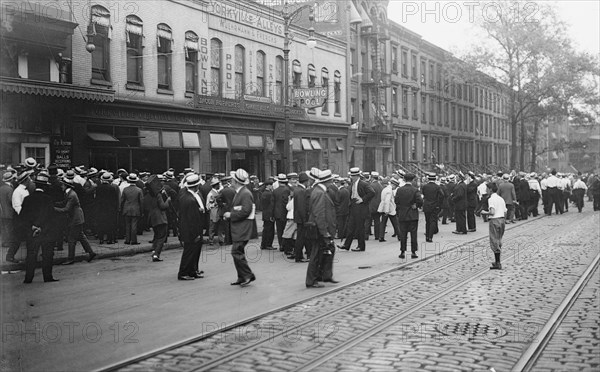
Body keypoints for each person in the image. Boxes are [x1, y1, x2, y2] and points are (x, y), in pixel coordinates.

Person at [21, 172, 60, 283]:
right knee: (47, 255)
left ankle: (28, 278)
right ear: (45, 186)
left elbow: (23, 217)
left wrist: (32, 227)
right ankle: (47, 277)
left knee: (31, 255)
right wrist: (42, 227)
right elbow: (51, 217)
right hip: (45, 232)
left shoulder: (28, 199)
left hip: (31, 231)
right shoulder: (48, 199)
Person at [54, 171, 96, 265]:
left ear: (66, 186)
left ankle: (71, 258)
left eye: (62, 185)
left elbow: (66, 209)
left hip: (75, 218)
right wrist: (55, 204)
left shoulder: (71, 195)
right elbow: (64, 203)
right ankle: (91, 252)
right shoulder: (69, 193)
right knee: (81, 236)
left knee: (71, 239)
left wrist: (54, 209)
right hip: (78, 217)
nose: (61, 186)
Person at [223, 169, 256, 287]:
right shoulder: (240, 192)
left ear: (236, 181)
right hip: (240, 227)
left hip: (242, 228)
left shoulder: (245, 193)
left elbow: (246, 211)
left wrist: (230, 215)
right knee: (238, 251)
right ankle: (242, 276)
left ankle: (247, 275)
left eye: (232, 179)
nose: (231, 181)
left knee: (236, 252)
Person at [305, 169, 338, 288]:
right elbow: (320, 214)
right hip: (319, 230)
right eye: (331, 180)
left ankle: (324, 275)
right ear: (327, 181)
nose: (333, 182)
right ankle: (311, 280)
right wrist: (325, 233)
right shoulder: (320, 193)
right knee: (316, 254)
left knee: (326, 252)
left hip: (320, 228)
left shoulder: (320, 191)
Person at [177, 173, 206, 280]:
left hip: (193, 229)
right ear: (197, 186)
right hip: (191, 230)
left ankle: (192, 270)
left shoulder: (191, 195)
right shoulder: (190, 200)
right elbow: (192, 220)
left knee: (195, 251)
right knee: (189, 252)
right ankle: (183, 272)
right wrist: (196, 234)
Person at [340, 167, 375, 252]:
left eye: (352, 176)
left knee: (360, 228)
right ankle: (346, 245)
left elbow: (372, 192)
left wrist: (363, 199)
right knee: (350, 227)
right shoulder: (352, 184)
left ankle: (361, 246)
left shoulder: (363, 184)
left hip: (361, 207)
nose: (351, 177)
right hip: (353, 206)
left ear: (356, 176)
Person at [395, 173, 423, 259]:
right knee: (413, 234)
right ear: (412, 180)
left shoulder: (399, 190)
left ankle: (402, 251)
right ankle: (413, 252)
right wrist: (416, 205)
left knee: (403, 234)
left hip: (402, 215)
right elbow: (420, 200)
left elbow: (396, 201)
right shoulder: (415, 190)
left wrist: (400, 209)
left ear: (404, 179)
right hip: (412, 215)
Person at [481, 182, 507, 270]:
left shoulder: (491, 199)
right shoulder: (501, 199)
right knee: (499, 239)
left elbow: (492, 211)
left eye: (487, 189)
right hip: (502, 219)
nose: (486, 190)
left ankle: (497, 262)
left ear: (491, 190)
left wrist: (485, 213)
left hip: (494, 220)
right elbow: (505, 211)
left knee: (494, 240)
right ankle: (497, 261)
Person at [146, 176, 171, 262]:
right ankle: (156, 254)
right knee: (161, 237)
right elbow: (163, 206)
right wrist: (168, 201)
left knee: (156, 236)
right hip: (161, 218)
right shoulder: (159, 195)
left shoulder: (151, 195)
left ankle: (154, 250)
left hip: (154, 218)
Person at [95, 172, 119, 244]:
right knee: (110, 224)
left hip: (101, 208)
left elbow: (96, 198)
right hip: (110, 209)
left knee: (101, 223)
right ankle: (109, 239)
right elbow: (115, 199)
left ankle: (101, 239)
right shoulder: (112, 188)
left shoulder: (98, 188)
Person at [1, 172, 19, 263]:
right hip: (9, 213)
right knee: (11, 230)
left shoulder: (1, 188)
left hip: (2, 212)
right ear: (11, 179)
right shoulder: (9, 189)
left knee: (4, 228)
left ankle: (5, 242)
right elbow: (11, 201)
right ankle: (9, 243)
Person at [120, 173, 143, 245]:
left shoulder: (125, 189)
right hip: (135, 209)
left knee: (127, 225)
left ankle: (127, 239)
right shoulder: (139, 190)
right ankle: (133, 240)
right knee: (134, 225)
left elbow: (122, 200)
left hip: (126, 209)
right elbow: (141, 202)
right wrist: (142, 211)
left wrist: (121, 208)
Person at [421, 173, 444, 242]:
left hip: (426, 205)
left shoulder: (425, 186)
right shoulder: (437, 187)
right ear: (435, 179)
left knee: (427, 221)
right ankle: (430, 237)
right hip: (434, 206)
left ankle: (427, 236)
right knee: (433, 221)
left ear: (428, 179)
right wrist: (439, 204)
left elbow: (423, 194)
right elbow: (442, 195)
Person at [259, 180, 276, 250]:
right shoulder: (269, 194)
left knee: (265, 230)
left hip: (265, 214)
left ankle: (263, 244)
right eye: (271, 185)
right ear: (268, 186)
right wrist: (272, 215)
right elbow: (271, 205)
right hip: (269, 214)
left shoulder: (264, 193)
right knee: (270, 230)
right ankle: (268, 244)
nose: (272, 186)